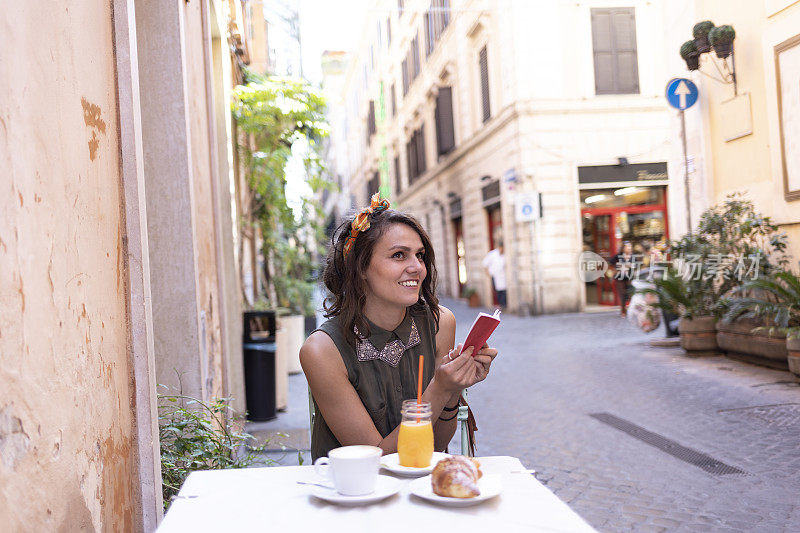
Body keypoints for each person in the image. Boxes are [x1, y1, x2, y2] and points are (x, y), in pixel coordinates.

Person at [300, 194, 499, 461]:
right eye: (398, 255)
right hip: (352, 494)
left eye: (419, 255)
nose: (417, 267)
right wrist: (440, 387)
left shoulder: (440, 324)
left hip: (420, 488)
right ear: (360, 268)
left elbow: (437, 445)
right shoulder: (322, 351)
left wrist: (452, 388)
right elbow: (376, 460)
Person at [610, 241, 636, 316]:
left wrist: (631, 266)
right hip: (619, 277)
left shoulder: (633, 256)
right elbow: (611, 263)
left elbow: (637, 265)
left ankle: (631, 310)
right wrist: (617, 267)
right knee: (622, 293)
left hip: (629, 277)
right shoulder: (618, 256)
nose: (629, 248)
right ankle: (623, 311)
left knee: (631, 293)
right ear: (623, 248)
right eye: (627, 247)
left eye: (630, 247)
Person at [482, 241, 506, 308]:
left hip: (503, 276)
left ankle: (504, 305)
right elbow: (484, 264)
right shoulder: (492, 254)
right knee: (497, 291)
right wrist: (488, 274)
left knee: (504, 291)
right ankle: (500, 305)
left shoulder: (505, 255)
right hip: (495, 276)